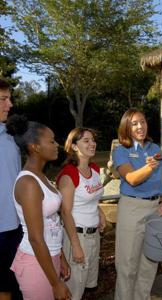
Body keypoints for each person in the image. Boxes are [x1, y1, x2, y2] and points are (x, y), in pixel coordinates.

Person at [7, 115, 71, 300]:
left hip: (49, 257)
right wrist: (55, 283)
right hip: (35, 263)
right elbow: (35, 238)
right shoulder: (28, 183)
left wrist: (61, 258)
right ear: (35, 147)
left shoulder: (40, 176)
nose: (56, 144)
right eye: (51, 141)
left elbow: (53, 222)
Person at [112, 108, 162, 300]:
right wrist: (149, 166)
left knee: (149, 263)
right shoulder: (121, 151)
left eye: (143, 122)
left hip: (155, 209)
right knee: (127, 264)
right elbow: (132, 179)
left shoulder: (155, 149)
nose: (140, 127)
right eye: (135, 123)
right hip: (132, 209)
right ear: (126, 127)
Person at [56, 128, 106, 300]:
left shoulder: (94, 169)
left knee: (85, 285)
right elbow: (65, 212)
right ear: (74, 147)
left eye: (93, 140)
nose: (92, 143)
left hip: (94, 236)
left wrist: (100, 212)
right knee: (73, 291)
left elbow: (91, 198)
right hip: (77, 237)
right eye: (86, 140)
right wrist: (76, 246)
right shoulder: (69, 174)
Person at [0, 79, 23, 300]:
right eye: (3, 99)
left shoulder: (12, 134)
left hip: (17, 225)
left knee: (15, 285)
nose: (10, 104)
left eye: (10, 98)